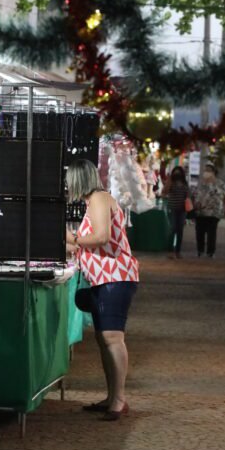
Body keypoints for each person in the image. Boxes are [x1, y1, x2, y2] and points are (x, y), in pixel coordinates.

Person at [66, 159, 140, 422]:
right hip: (105, 279)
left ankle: (118, 400)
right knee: (105, 339)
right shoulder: (95, 201)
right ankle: (113, 397)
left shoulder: (98, 198)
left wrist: (71, 238)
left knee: (111, 337)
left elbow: (100, 237)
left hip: (114, 277)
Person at [193, 163, 225, 258]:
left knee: (212, 233)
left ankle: (210, 252)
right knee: (199, 232)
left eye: (208, 170)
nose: (206, 172)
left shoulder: (220, 184)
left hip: (214, 212)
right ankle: (200, 250)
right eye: (205, 170)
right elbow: (195, 196)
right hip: (200, 212)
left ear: (214, 172)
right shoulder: (201, 183)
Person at [164, 165, 190, 259]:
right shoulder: (171, 182)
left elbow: (188, 195)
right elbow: (165, 192)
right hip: (172, 209)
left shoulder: (184, 183)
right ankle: (170, 250)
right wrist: (169, 181)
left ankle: (178, 251)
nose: (177, 174)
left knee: (180, 230)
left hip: (182, 210)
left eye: (179, 172)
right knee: (173, 229)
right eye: (176, 172)